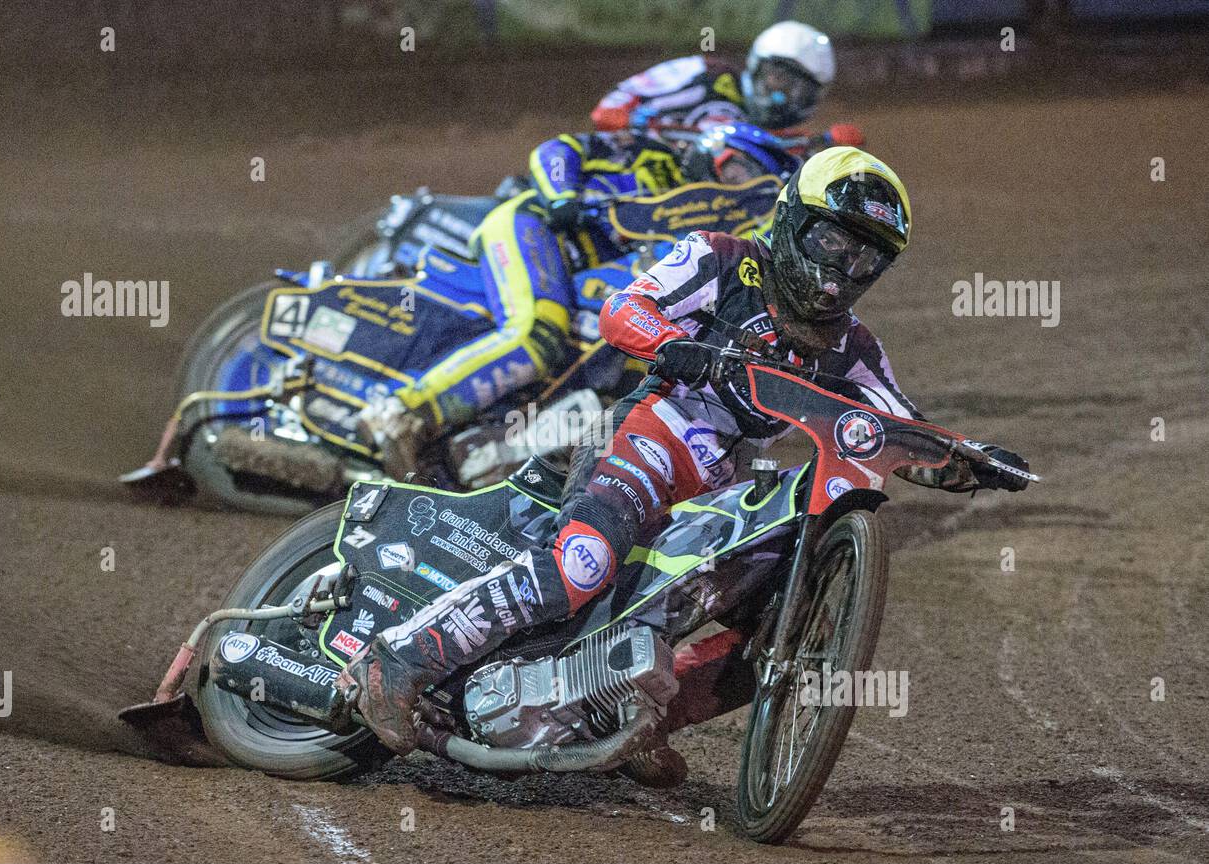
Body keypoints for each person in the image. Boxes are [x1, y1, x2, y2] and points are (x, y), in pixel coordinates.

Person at [337, 147, 1032, 781]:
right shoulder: (725, 260)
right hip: (645, 436)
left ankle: (623, 719)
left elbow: (895, 429)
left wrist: (969, 460)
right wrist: (671, 344)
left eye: (865, 260)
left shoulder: (853, 347)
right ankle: (397, 660)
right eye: (831, 242)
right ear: (792, 217)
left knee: (766, 637)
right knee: (581, 564)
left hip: (718, 493)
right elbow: (622, 308)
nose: (842, 270)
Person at [360, 125, 795, 478]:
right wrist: (561, 195)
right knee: (537, 334)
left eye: (752, 185)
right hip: (533, 226)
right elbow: (559, 147)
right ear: (717, 149)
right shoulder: (653, 155)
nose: (738, 188)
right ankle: (402, 413)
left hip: (574, 278)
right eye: (740, 170)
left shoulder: (705, 237)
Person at [591, 20, 836, 134]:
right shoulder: (706, 73)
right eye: (780, 77)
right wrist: (617, 111)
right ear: (758, 65)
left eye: (800, 89)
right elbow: (622, 97)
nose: (783, 94)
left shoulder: (780, 139)